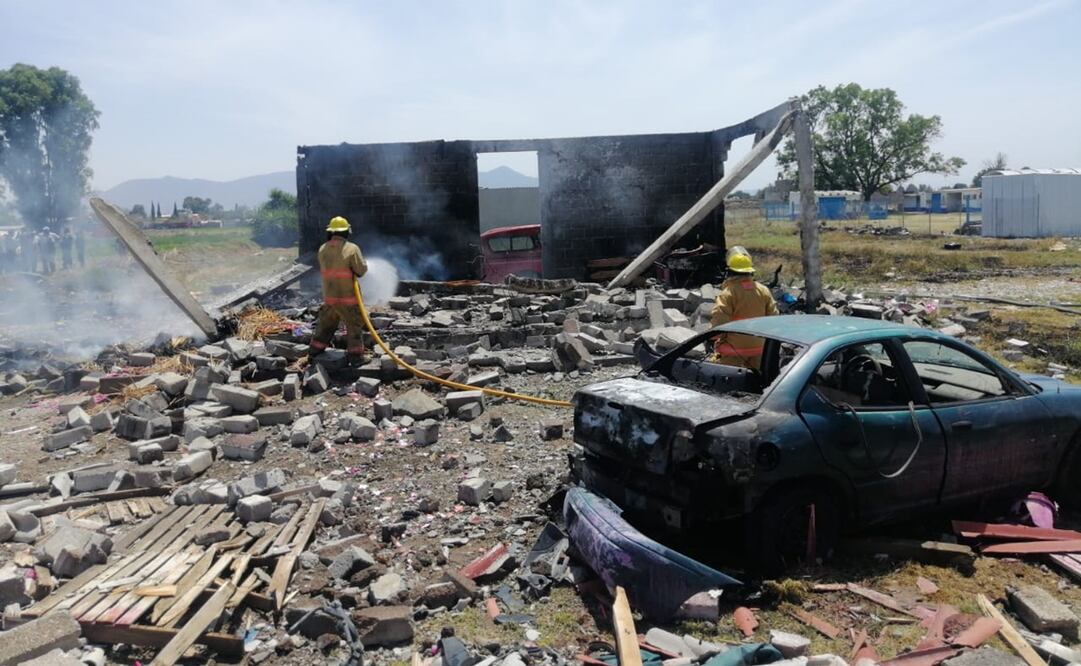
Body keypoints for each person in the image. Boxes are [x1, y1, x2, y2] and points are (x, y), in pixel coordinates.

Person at [709, 246, 779, 370]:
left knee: (726, 381)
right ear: (750, 272)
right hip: (759, 348)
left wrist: (710, 337)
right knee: (756, 382)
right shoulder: (763, 290)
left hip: (733, 350)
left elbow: (719, 324)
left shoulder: (728, 293)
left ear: (729, 271)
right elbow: (774, 319)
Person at [310, 216, 369, 364]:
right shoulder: (352, 248)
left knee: (325, 326)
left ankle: (314, 352)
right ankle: (356, 358)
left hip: (329, 298)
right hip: (347, 298)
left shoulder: (323, 248)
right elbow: (360, 271)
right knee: (354, 326)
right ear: (346, 232)